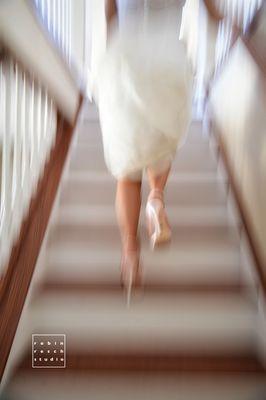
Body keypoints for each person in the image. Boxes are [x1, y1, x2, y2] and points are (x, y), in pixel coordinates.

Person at [95, 0, 222, 300]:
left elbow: (110, 17)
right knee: (159, 145)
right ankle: (156, 198)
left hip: (126, 61)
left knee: (127, 171)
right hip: (169, 63)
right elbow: (215, 16)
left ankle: (130, 254)